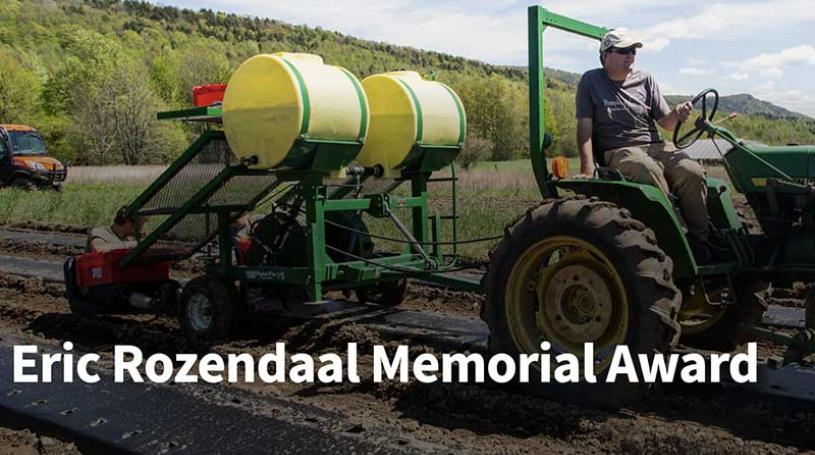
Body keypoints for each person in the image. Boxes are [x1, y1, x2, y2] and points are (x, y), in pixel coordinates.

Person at [575, 28, 714, 260]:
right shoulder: (591, 81)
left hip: (654, 145)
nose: (631, 55)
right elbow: (584, 128)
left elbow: (666, 124)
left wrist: (677, 113)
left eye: (633, 51)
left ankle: (702, 239)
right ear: (605, 54)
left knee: (692, 172)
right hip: (619, 149)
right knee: (648, 169)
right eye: (624, 51)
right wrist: (587, 169)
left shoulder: (645, 80)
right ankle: (681, 239)